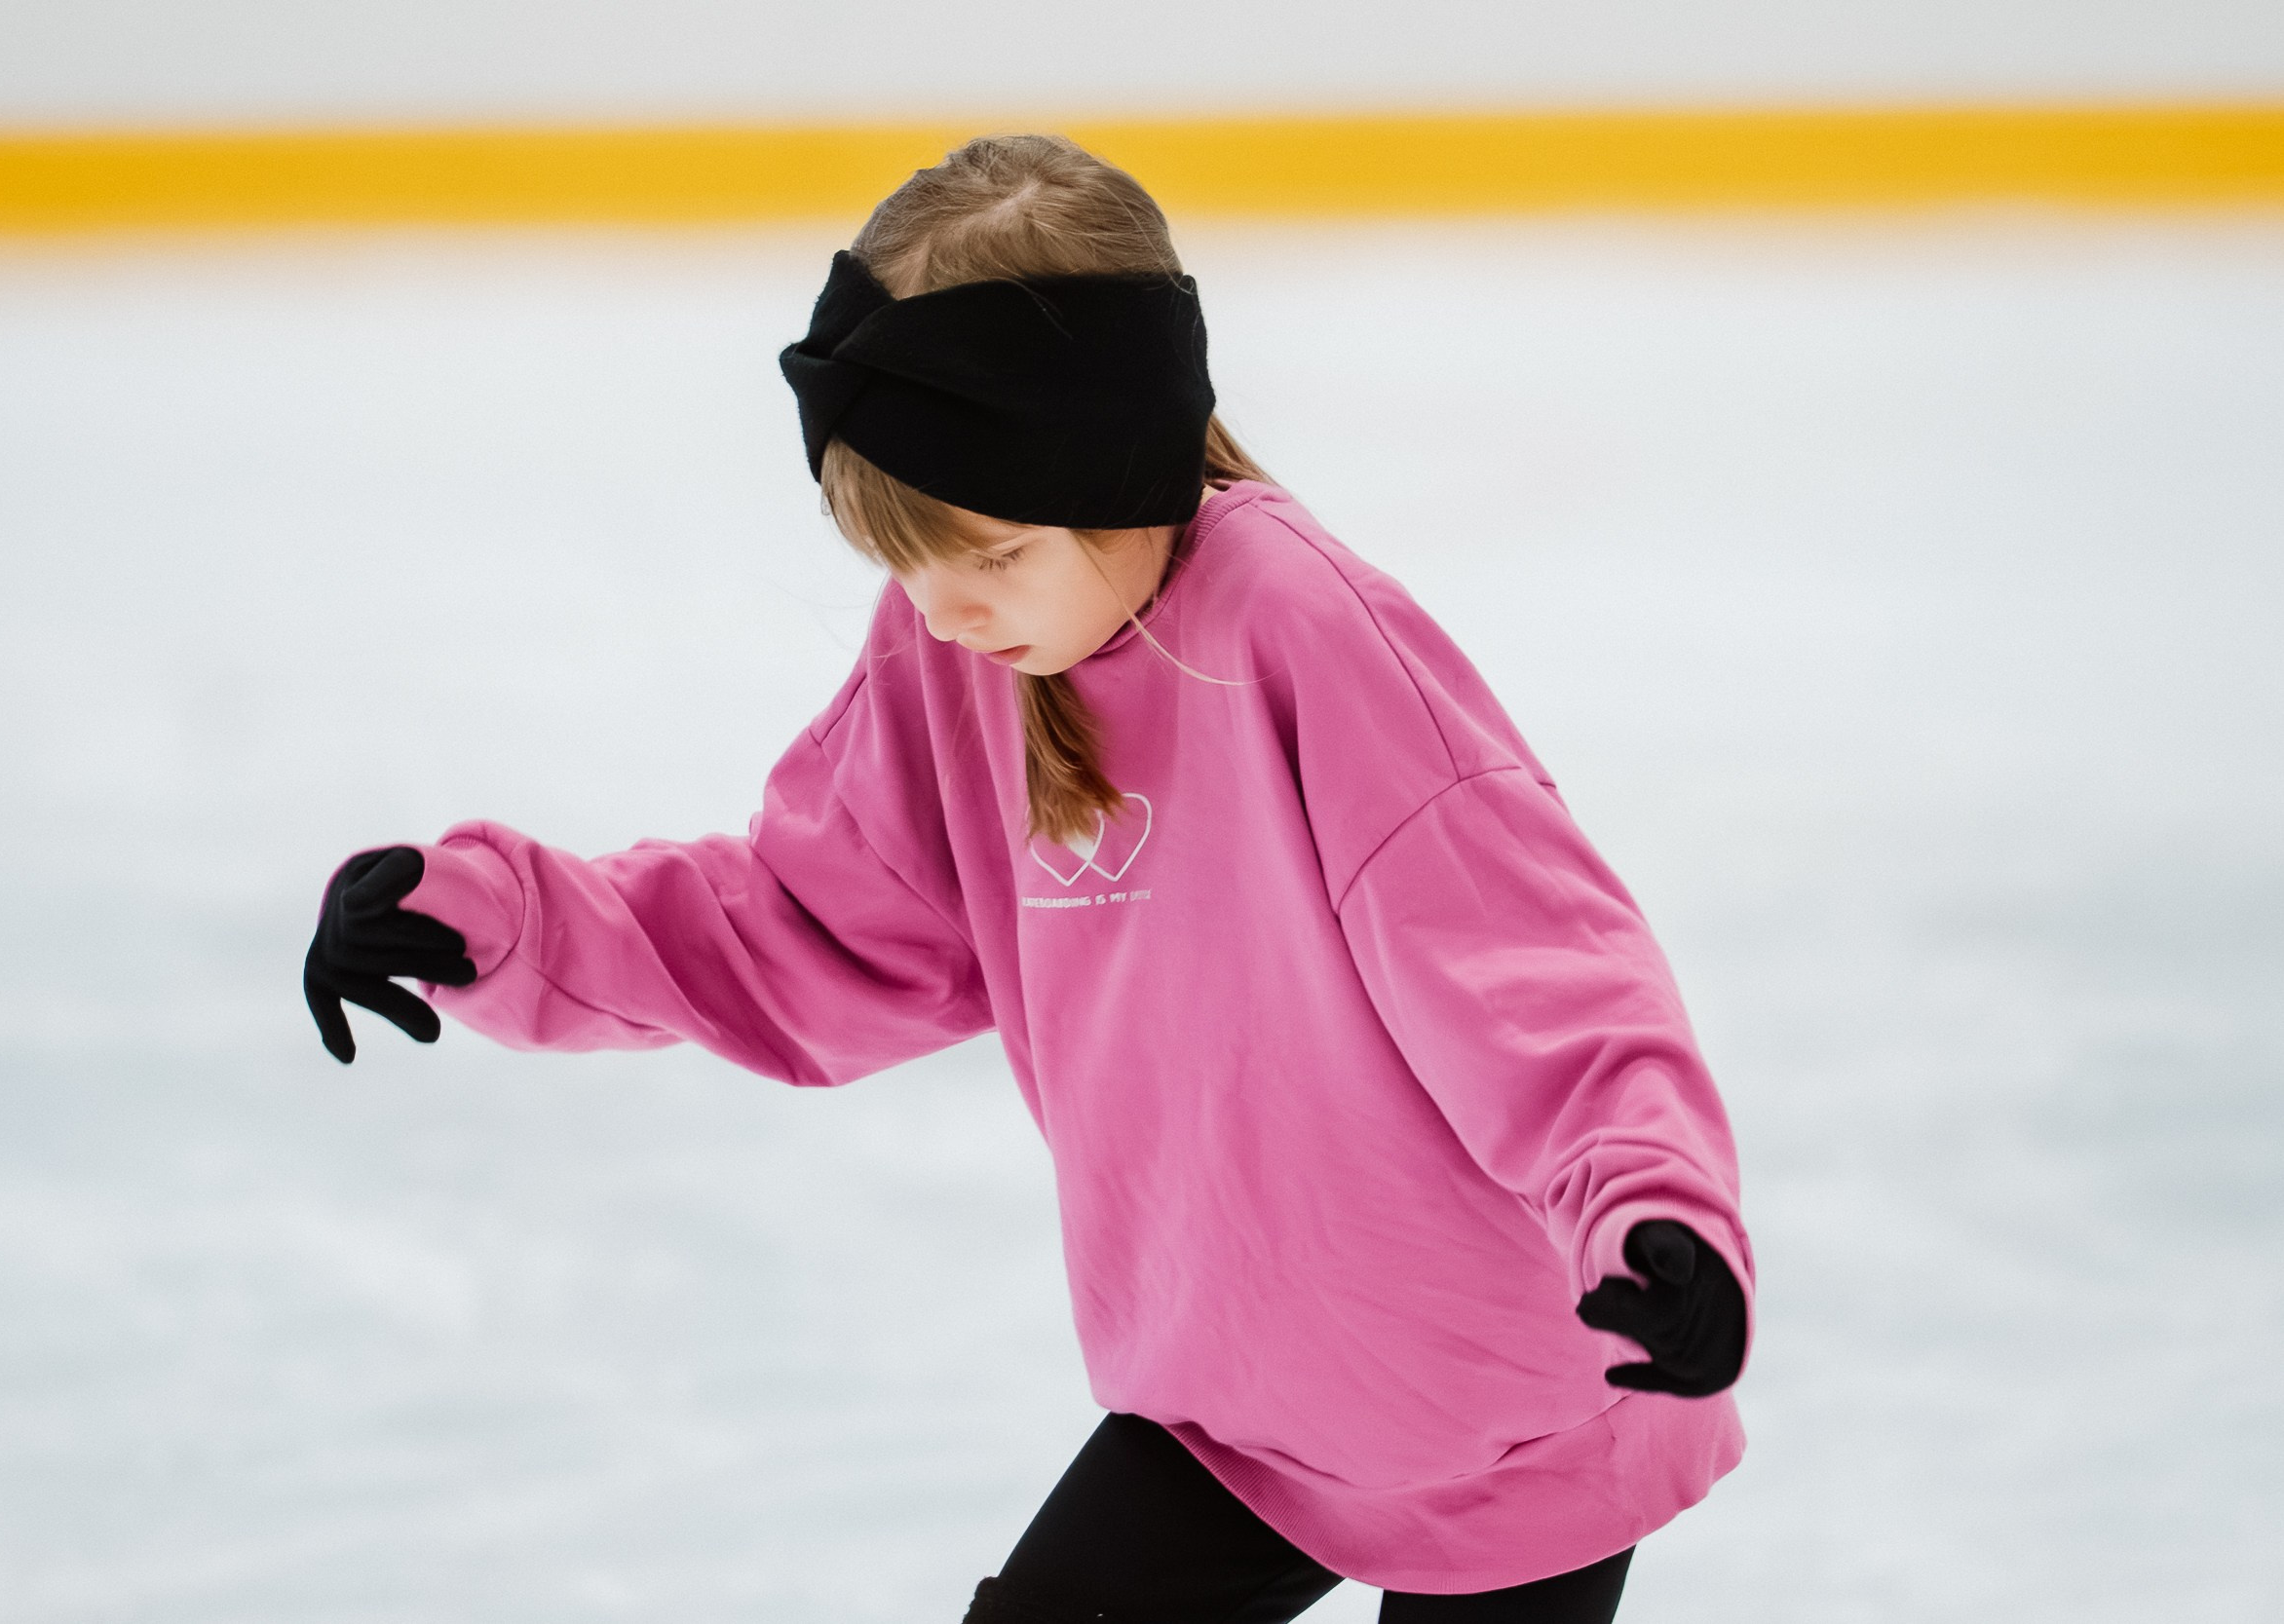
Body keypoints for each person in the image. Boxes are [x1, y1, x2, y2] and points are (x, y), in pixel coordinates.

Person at [304, 133, 1752, 1624]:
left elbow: (1528, 966)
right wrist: (488, 917)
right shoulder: (965, 652)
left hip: (1509, 1394)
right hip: (1234, 1408)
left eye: (986, 550)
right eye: (901, 559)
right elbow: (805, 927)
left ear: (1115, 470)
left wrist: (1655, 1212)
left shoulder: (1300, 634)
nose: (945, 607)